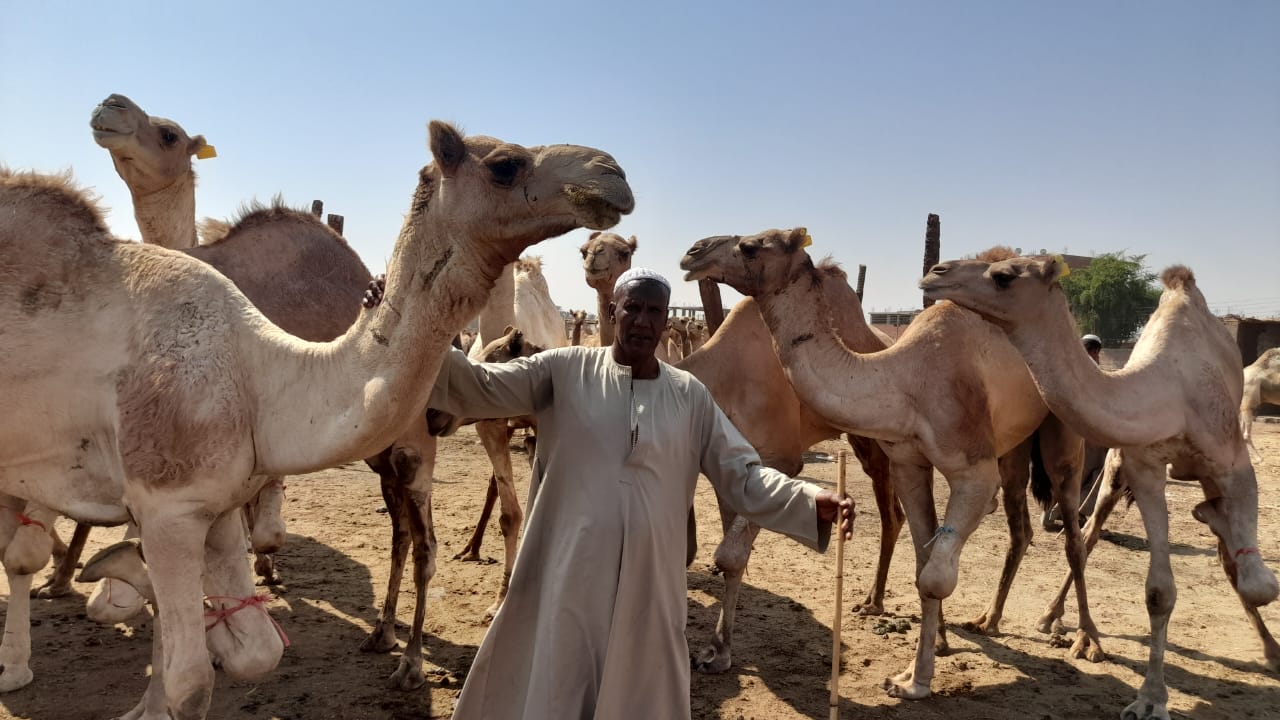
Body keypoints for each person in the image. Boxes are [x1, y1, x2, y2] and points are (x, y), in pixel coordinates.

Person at [421, 268, 853, 720]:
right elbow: (479, 386)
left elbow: (743, 476)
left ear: (666, 320)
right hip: (570, 577)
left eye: (654, 311)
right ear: (613, 311)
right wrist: (414, 327)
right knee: (560, 684)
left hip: (651, 586)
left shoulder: (690, 396)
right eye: (633, 308)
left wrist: (806, 500)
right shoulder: (563, 371)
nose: (643, 321)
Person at [1042, 333, 1106, 530]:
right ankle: (1075, 511)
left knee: (1065, 473)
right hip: (1088, 429)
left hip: (1062, 428)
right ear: (1095, 351)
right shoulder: (1091, 367)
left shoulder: (1066, 364)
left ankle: (1050, 514)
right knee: (1101, 472)